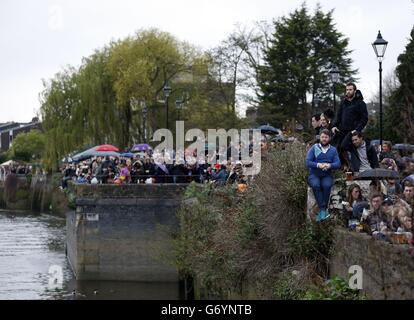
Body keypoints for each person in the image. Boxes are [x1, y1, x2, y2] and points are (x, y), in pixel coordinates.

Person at [305, 129, 341, 222]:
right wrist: (318, 165)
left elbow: (338, 163)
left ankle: (322, 211)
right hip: (314, 174)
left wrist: (330, 165)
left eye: (326, 137)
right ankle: (323, 209)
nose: (324, 139)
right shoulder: (314, 148)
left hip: (327, 174)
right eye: (322, 137)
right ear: (320, 137)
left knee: (327, 185)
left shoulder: (333, 150)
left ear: (329, 138)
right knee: (316, 185)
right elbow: (308, 162)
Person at [331, 83, 368, 160]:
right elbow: (338, 116)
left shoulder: (360, 103)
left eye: (350, 90)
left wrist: (357, 130)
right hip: (342, 130)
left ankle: (353, 165)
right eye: (347, 90)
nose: (348, 91)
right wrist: (334, 126)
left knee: (344, 146)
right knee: (334, 147)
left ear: (354, 91)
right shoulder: (343, 102)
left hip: (353, 131)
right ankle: (342, 167)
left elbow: (364, 119)